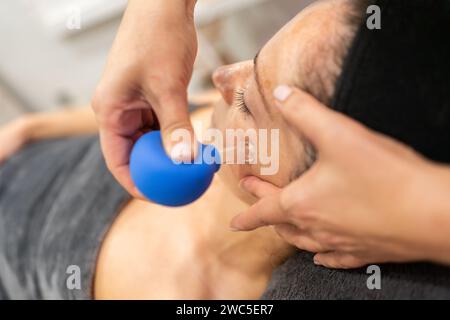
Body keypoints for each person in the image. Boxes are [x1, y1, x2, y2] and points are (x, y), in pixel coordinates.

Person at [1, 0, 450, 300]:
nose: (221, 77)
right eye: (254, 59)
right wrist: (34, 126)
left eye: (246, 103)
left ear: (322, 198)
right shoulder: (214, 139)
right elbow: (186, 106)